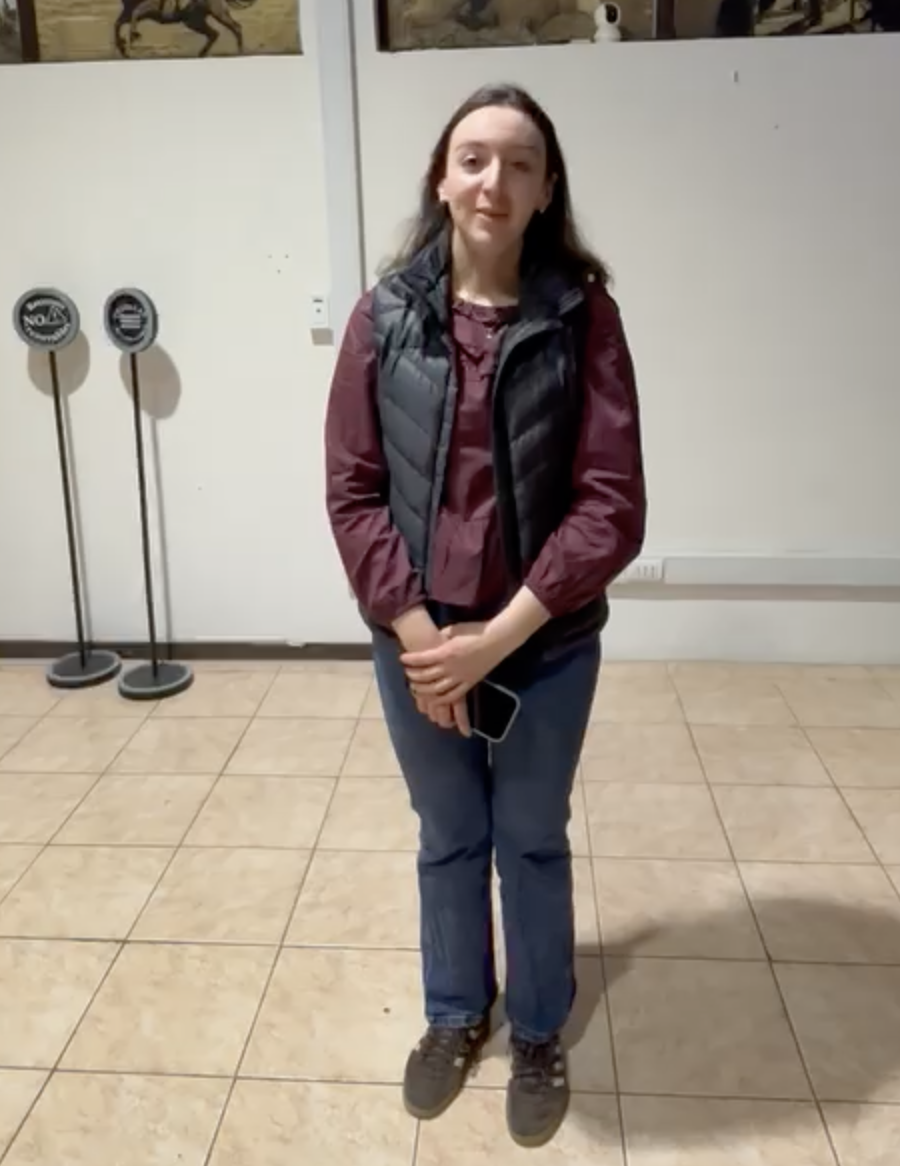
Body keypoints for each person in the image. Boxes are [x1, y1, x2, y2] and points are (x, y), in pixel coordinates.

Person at [324, 82, 646, 1149]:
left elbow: (612, 504)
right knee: (450, 834)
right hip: (417, 643)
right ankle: (457, 1010)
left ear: (547, 189)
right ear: (440, 177)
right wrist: (423, 639)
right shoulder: (382, 317)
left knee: (531, 837)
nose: (492, 181)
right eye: (473, 158)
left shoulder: (584, 317)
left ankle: (539, 1027)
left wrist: (500, 636)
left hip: (543, 641)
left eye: (518, 163)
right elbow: (353, 491)